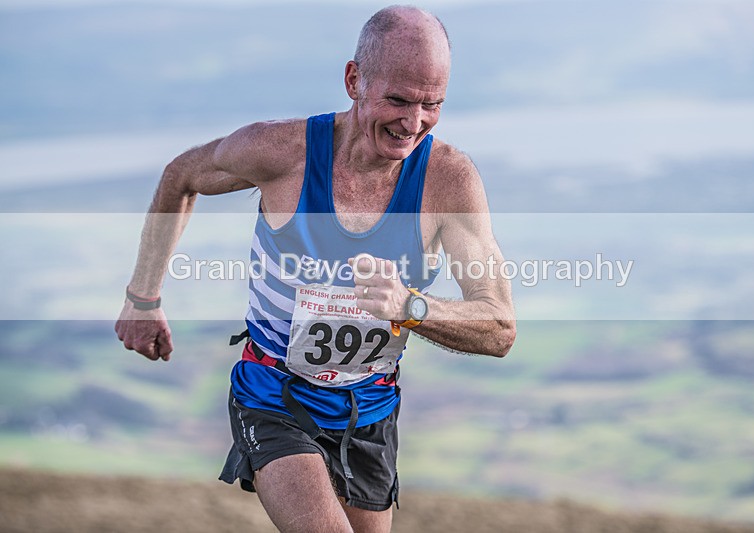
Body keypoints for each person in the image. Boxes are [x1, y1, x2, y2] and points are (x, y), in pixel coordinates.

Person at [115, 5, 515, 533]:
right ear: (354, 80)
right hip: (274, 393)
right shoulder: (280, 152)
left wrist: (409, 307)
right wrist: (143, 300)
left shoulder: (448, 182)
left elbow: (499, 327)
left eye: (432, 105)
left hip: (369, 409)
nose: (412, 123)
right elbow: (181, 176)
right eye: (397, 100)